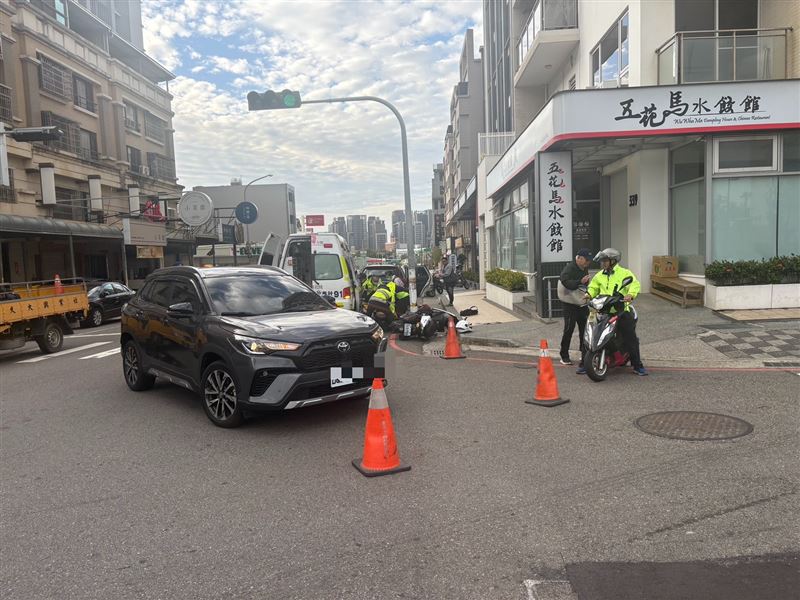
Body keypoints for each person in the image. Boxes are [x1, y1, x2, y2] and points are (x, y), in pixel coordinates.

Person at [587, 248, 648, 376]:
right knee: (593, 332)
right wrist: (589, 294)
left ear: (613, 261)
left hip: (621, 310)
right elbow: (593, 287)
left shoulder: (624, 273)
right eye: (602, 261)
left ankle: (637, 365)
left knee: (630, 338)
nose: (602, 263)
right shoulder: (599, 275)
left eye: (605, 261)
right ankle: (585, 362)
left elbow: (634, 284)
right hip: (604, 309)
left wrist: (631, 294)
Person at [558, 248, 592, 372]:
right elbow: (565, 282)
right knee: (569, 329)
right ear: (579, 258)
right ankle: (564, 355)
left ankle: (584, 355)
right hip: (570, 304)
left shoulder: (584, 268)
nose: (588, 263)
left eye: (589, 261)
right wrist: (580, 281)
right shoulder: (570, 268)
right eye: (586, 260)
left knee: (585, 330)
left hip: (581, 303)